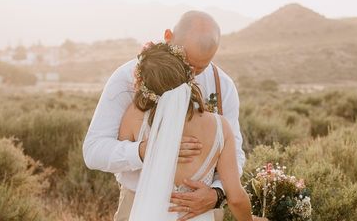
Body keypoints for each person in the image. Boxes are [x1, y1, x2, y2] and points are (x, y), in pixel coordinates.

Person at [83, 11, 245, 221]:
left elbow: (236, 154)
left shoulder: (223, 86)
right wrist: (145, 151)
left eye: (200, 68)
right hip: (139, 205)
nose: (190, 75)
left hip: (199, 210)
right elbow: (94, 151)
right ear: (168, 36)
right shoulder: (125, 79)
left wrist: (217, 193)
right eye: (185, 61)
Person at [118, 42, 262, 221]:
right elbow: (236, 198)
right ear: (190, 77)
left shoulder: (134, 117)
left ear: (146, 85)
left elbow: (120, 166)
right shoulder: (219, 126)